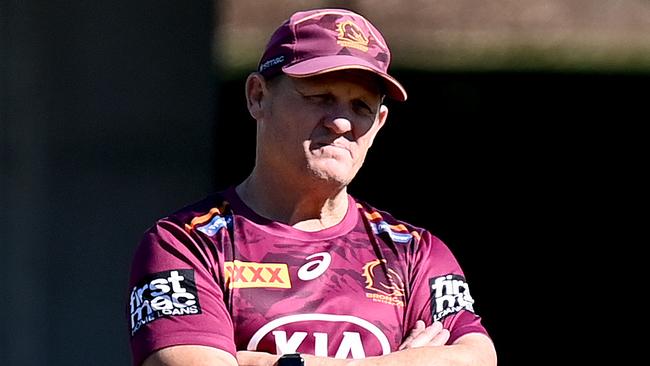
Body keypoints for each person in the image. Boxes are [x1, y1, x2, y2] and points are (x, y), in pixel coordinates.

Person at [127, 7, 497, 366]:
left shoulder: (414, 253)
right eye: (320, 97)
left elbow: (477, 357)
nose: (341, 122)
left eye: (361, 107)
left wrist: (288, 363)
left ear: (380, 122)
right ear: (258, 96)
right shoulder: (185, 244)